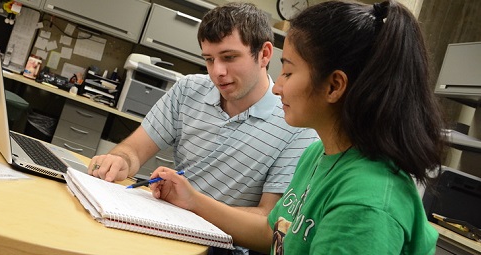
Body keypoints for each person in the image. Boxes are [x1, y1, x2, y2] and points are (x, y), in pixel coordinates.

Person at [149, 0, 445, 254]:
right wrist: (192, 200)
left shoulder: (366, 207)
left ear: (334, 86)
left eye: (288, 72)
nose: (277, 88)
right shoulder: (318, 154)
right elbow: (273, 234)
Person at [88, 2, 318, 215]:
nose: (217, 71)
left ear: (265, 54)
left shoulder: (296, 124)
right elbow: (134, 150)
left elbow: (267, 217)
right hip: (165, 219)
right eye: (209, 59)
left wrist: (194, 203)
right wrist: (119, 160)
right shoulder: (189, 89)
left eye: (229, 57)